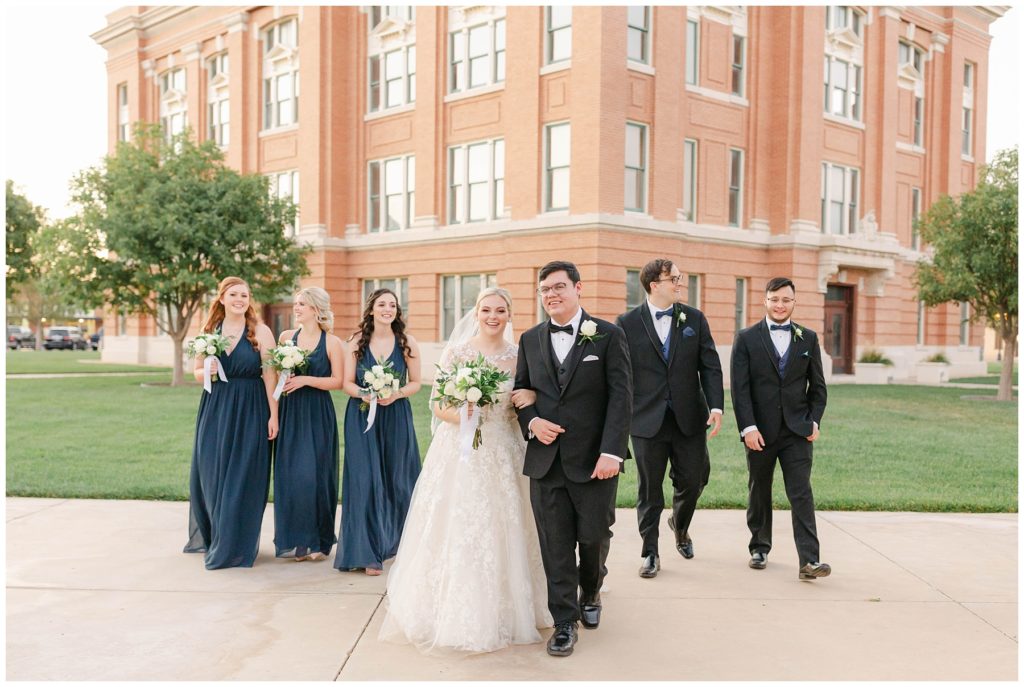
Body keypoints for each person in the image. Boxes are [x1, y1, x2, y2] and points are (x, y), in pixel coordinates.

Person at [379, 287, 552, 653]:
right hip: (460, 450)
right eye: (486, 309)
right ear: (476, 312)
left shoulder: (520, 356)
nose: (493, 316)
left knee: (509, 523)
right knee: (459, 523)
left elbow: (527, 397)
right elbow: (438, 404)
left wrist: (531, 398)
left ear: (509, 314)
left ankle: (514, 606)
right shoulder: (457, 352)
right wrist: (464, 414)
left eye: (500, 310)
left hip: (504, 450)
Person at [514, 260, 632, 657]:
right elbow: (521, 392)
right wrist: (532, 423)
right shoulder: (530, 339)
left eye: (558, 287)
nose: (551, 294)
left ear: (578, 289)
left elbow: (621, 398)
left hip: (596, 461)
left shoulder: (609, 336)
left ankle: (592, 591)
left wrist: (612, 452)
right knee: (555, 545)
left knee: (594, 537)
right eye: (544, 289)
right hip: (546, 463)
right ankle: (564, 622)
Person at [616, 258, 723, 579]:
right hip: (646, 419)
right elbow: (620, 374)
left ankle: (680, 524)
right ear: (654, 285)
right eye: (674, 278)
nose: (680, 283)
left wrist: (716, 406)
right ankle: (650, 552)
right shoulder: (626, 323)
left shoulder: (694, 318)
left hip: (689, 417)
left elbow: (711, 366)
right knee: (650, 490)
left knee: (694, 479)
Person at [730, 277, 831, 580]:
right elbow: (740, 389)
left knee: (801, 492)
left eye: (786, 300)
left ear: (793, 302)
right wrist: (748, 427)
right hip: (759, 431)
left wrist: (814, 420)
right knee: (759, 489)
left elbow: (819, 387)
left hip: (797, 431)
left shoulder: (808, 338)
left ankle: (809, 561)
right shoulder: (746, 338)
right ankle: (759, 546)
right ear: (765, 300)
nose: (780, 305)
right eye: (775, 299)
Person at [184, 276, 278, 569]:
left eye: (245, 295)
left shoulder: (261, 331)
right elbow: (197, 372)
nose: (240, 299)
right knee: (211, 472)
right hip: (216, 408)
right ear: (222, 298)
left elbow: (270, 376)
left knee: (244, 474)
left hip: (252, 408)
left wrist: (274, 414)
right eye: (234, 294)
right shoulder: (209, 331)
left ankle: (236, 544)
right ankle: (216, 535)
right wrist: (208, 370)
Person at [333, 288, 421, 576]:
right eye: (382, 304)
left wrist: (394, 394)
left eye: (392, 305)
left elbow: (416, 383)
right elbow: (346, 382)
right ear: (371, 309)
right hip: (361, 417)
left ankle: (394, 544)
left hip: (396, 416)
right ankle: (366, 552)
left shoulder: (407, 342)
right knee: (365, 480)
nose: (388, 309)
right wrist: (365, 393)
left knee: (398, 478)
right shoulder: (356, 342)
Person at [272, 287, 345, 562]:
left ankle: (318, 541)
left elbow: (337, 381)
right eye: (296, 303)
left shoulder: (332, 343)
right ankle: (296, 542)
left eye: (302, 303)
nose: (297, 307)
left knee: (315, 476)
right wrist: (274, 415)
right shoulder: (286, 338)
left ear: (316, 308)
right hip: (290, 412)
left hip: (317, 414)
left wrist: (305, 380)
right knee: (291, 476)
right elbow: (278, 375)